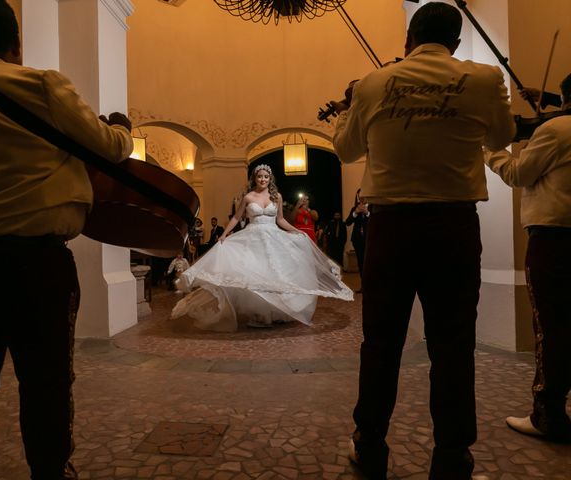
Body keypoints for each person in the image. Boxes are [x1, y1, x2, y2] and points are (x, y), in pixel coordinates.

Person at [0, 1, 133, 478]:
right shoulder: (42, 84)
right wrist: (123, 129)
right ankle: (49, 471)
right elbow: (107, 149)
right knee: (45, 383)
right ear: (15, 44)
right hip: (36, 265)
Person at [331, 3, 515, 479]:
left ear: (409, 37)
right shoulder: (483, 79)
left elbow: (346, 149)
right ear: (455, 42)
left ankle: (369, 444)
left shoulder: (373, 83)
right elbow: (502, 134)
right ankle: (453, 455)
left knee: (380, 342)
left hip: (391, 230)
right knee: (454, 345)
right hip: (454, 228)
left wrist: (352, 106)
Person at [485, 73, 571, 443]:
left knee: (552, 327)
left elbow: (519, 174)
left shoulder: (557, 131)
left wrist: (493, 152)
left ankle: (548, 415)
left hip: (556, 237)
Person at [171, 164, 353, 331]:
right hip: (253, 238)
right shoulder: (248, 197)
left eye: (266, 176)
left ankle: (278, 312)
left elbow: (280, 219)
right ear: (255, 178)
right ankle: (260, 315)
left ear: (270, 178)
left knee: (277, 274)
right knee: (256, 274)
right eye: (260, 177)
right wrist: (225, 234)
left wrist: (297, 231)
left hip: (274, 237)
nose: (263, 179)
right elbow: (236, 217)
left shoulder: (277, 196)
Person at [345, 189, 370, 293]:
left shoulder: (372, 208)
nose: (360, 198)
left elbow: (375, 222)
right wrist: (355, 213)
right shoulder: (354, 209)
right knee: (361, 264)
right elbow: (347, 222)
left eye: (362, 196)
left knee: (369, 264)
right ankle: (363, 286)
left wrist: (367, 213)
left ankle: (371, 286)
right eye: (359, 197)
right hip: (357, 241)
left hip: (369, 240)